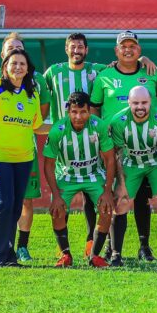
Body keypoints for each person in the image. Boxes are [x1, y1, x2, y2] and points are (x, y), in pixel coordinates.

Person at [90, 31, 157, 261]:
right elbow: (95, 108)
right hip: (113, 149)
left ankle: (144, 247)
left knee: (145, 198)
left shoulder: (151, 73)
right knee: (115, 198)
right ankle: (108, 248)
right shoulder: (104, 75)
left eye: (132, 46)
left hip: (149, 149)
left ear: (139, 49)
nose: (128, 50)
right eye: (123, 46)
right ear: (116, 51)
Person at [0, 33, 50, 264]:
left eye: (22, 64)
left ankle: (8, 255)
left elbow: (36, 126)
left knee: (16, 206)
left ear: (28, 69)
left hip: (24, 158)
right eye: (13, 63)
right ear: (5, 66)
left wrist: (62, 127)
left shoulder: (32, 93)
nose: (18, 67)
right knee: (3, 203)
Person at [44, 33, 110, 256]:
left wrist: (143, 62)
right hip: (64, 146)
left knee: (94, 199)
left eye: (80, 47)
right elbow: (38, 89)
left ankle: (92, 242)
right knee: (62, 201)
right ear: (66, 49)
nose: (76, 51)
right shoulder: (54, 72)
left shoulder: (96, 70)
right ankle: (65, 252)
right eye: (72, 47)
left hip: (91, 138)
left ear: (86, 50)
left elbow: (120, 66)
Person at [45, 91, 118, 268]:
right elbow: (48, 165)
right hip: (67, 176)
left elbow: (110, 159)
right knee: (57, 210)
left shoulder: (98, 126)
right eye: (74, 112)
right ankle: (66, 255)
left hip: (93, 174)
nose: (79, 116)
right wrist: (56, 195)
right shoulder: (58, 130)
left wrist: (108, 191)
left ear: (89, 111)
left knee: (107, 208)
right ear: (68, 111)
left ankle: (95, 256)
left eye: (83, 112)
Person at [107, 86, 157, 267]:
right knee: (120, 202)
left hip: (155, 164)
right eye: (135, 102)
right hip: (131, 164)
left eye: (144, 102)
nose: (140, 107)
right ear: (128, 102)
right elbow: (117, 155)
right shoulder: (119, 121)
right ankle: (116, 254)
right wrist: (120, 184)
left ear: (150, 102)